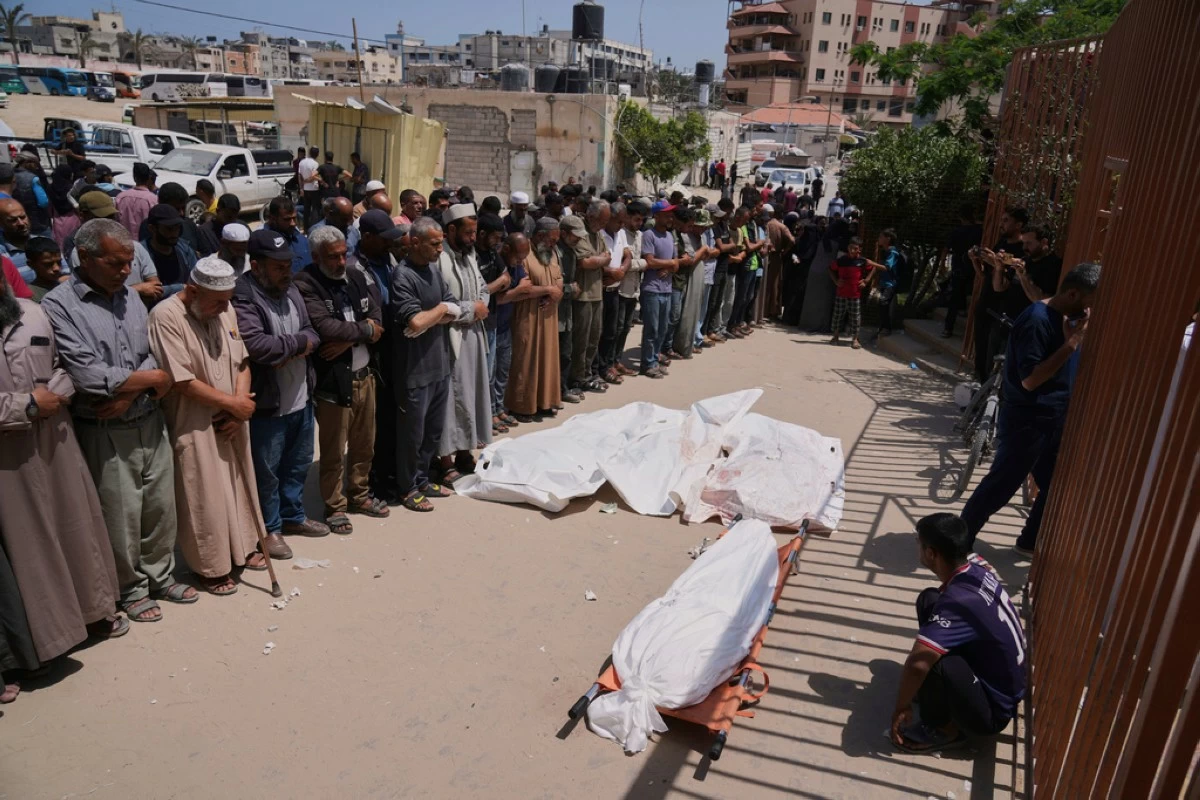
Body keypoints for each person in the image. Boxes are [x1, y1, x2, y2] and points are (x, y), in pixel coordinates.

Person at [42, 219, 195, 623]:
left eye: (130, 263)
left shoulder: (128, 297)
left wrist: (132, 392)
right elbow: (86, 374)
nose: (127, 272)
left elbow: (151, 354)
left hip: (146, 416)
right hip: (104, 429)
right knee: (121, 515)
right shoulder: (59, 305)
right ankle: (130, 589)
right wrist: (152, 380)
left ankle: (160, 577)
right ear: (86, 257)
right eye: (116, 263)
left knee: (160, 508)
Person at [0, 264, 126, 673]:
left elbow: (62, 366)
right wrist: (26, 406)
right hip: (8, 459)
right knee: (31, 547)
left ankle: (95, 612)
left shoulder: (31, 312)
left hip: (56, 440)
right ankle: (52, 639)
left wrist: (56, 393)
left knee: (77, 528)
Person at [147, 257, 271, 595]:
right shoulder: (166, 316)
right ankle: (210, 567)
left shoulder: (224, 309)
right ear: (191, 290)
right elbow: (181, 380)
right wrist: (233, 405)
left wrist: (238, 407)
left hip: (232, 414)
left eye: (227, 299)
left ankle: (245, 548)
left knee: (237, 482)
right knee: (203, 492)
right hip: (194, 419)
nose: (224, 308)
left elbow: (242, 360)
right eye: (217, 301)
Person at [960, 263, 1100, 557]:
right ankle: (957, 541)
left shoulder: (1066, 318)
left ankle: (1028, 541)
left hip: (1054, 418)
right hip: (1028, 418)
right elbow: (1030, 380)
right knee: (1002, 483)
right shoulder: (1038, 320)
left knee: (1055, 485)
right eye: (1091, 302)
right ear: (1073, 293)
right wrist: (1072, 343)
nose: (1093, 311)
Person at [891, 513, 1026, 753]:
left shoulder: (958, 602)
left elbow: (917, 664)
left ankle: (944, 728)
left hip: (991, 713)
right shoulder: (976, 567)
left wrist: (901, 707)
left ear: (931, 553)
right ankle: (938, 697)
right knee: (929, 599)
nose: (917, 548)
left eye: (919, 543)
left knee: (932, 663)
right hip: (1000, 677)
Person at [233, 229, 329, 560]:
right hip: (268, 404)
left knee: (297, 461)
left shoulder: (291, 290)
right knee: (267, 471)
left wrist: (292, 347)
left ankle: (293, 516)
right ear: (256, 265)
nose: (286, 271)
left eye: (288, 264)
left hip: (301, 395)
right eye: (278, 266)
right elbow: (259, 347)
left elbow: (313, 333)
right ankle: (270, 529)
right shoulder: (243, 296)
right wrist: (297, 345)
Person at [295, 226, 388, 536]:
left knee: (364, 444)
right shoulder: (306, 283)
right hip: (334, 382)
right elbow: (324, 327)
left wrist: (352, 338)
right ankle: (335, 506)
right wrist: (365, 331)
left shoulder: (356, 276)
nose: (339, 261)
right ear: (316, 256)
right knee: (333, 449)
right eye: (332, 257)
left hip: (365, 376)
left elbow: (377, 316)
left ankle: (359, 496)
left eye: (342, 254)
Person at [389, 216, 461, 512]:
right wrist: (440, 310)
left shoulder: (433, 270)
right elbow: (416, 320)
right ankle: (407, 489)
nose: (440, 249)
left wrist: (437, 313)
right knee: (412, 435)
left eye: (441, 242)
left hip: (439, 365)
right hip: (414, 371)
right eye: (434, 243)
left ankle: (422, 480)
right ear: (414, 243)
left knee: (432, 432)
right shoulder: (402, 276)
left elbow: (453, 308)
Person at [435, 204, 492, 484]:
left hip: (473, 335)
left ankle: (464, 451)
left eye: (475, 232)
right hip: (449, 338)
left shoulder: (470, 256)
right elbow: (440, 303)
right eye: (468, 233)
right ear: (452, 230)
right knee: (450, 398)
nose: (472, 238)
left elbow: (482, 287)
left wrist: (482, 305)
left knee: (470, 394)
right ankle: (444, 459)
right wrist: (473, 309)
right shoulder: (439, 258)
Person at [507, 219, 564, 421]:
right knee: (526, 360)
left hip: (549, 314)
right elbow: (522, 289)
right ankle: (522, 406)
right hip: (527, 315)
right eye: (551, 240)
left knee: (547, 359)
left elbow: (559, 278)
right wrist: (549, 290)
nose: (554, 244)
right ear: (540, 236)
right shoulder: (525, 255)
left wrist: (557, 292)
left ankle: (544, 402)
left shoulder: (552, 253)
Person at [971, 207, 1027, 382]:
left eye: (1006, 220)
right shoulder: (1001, 243)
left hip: (1003, 307)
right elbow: (983, 275)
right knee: (980, 348)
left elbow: (1009, 273)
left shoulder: (1022, 249)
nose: (1001, 224)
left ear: (1019, 225)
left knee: (993, 353)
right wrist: (976, 260)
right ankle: (978, 386)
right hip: (986, 302)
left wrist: (998, 262)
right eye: (1001, 220)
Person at [564, 202, 612, 394]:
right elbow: (585, 262)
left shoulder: (597, 233)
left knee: (594, 337)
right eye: (602, 221)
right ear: (591, 217)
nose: (603, 225)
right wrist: (602, 259)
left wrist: (600, 259)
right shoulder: (580, 228)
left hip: (597, 292)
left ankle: (587, 373)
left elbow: (605, 255)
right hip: (582, 294)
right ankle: (578, 378)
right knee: (581, 340)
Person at [473, 214, 513, 434]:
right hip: (478, 324)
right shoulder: (472, 256)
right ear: (482, 234)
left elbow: (507, 276)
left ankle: (488, 416)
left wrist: (495, 285)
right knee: (480, 377)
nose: (498, 242)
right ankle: (480, 423)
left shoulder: (491, 253)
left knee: (490, 374)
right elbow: (478, 292)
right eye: (495, 237)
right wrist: (498, 284)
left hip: (492, 321)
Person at [489, 234, 529, 427]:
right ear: (506, 250)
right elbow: (496, 299)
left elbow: (526, 283)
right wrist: (516, 292)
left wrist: (515, 291)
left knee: (502, 372)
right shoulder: (495, 264)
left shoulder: (515, 266)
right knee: (491, 373)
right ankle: (490, 413)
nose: (520, 262)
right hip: (491, 328)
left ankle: (499, 409)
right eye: (518, 257)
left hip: (505, 327)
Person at [639, 201, 680, 379]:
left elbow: (677, 263)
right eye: (666, 214)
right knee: (652, 329)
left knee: (662, 329)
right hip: (652, 289)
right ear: (656, 216)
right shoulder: (649, 235)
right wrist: (670, 263)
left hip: (667, 289)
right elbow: (650, 261)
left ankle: (655, 360)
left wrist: (670, 266)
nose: (670, 217)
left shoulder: (670, 236)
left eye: (671, 214)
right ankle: (648, 364)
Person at [596, 202, 631, 384]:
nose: (621, 225)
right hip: (600, 290)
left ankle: (607, 365)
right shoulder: (599, 234)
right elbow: (594, 262)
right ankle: (597, 369)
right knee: (598, 333)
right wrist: (610, 272)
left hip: (615, 289)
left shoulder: (621, 233)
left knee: (612, 331)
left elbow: (628, 256)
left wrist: (621, 271)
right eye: (618, 221)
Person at [675, 207, 714, 359]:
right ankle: (681, 345)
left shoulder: (700, 237)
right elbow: (691, 260)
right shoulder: (686, 237)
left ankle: (690, 343)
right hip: (688, 278)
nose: (704, 229)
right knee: (686, 312)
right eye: (701, 226)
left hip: (699, 277)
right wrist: (704, 250)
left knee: (696, 312)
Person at [941, 205, 983, 338]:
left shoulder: (957, 232)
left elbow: (946, 249)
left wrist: (942, 264)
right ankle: (970, 328)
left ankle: (948, 328)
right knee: (972, 293)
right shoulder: (979, 231)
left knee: (955, 298)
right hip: (974, 267)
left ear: (960, 218)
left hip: (959, 267)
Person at [663, 205, 698, 360]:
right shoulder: (671, 234)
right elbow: (671, 258)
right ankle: (665, 347)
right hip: (672, 282)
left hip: (679, 281)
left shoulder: (678, 235)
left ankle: (667, 346)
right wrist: (681, 260)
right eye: (689, 225)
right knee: (672, 317)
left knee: (674, 317)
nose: (690, 229)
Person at [142, 204, 198, 300]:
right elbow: (147, 290)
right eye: (169, 229)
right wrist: (180, 288)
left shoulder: (185, 250)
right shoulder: (141, 253)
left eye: (177, 228)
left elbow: (196, 280)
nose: (175, 233)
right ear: (152, 229)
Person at [829, 236, 873, 349]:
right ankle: (835, 336)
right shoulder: (842, 260)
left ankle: (855, 339)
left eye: (855, 248)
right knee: (838, 315)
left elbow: (873, 268)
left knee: (855, 317)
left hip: (855, 294)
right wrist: (836, 281)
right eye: (850, 247)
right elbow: (830, 269)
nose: (852, 250)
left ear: (859, 249)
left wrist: (866, 281)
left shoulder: (862, 261)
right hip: (841, 293)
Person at [763, 204, 795, 322]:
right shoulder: (781, 226)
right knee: (774, 285)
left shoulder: (766, 224)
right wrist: (784, 251)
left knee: (764, 284)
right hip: (776, 257)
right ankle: (773, 311)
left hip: (765, 256)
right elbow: (792, 240)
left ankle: (763, 310)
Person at [263, 196, 311, 274]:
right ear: (273, 219)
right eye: (287, 219)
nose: (293, 223)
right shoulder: (264, 243)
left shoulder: (301, 239)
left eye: (294, 218)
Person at [871, 229, 901, 338]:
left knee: (883, 303)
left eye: (881, 236)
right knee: (881, 304)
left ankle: (887, 328)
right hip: (884, 283)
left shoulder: (892, 253)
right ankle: (883, 327)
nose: (879, 239)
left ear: (888, 239)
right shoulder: (885, 251)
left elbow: (887, 267)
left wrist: (871, 263)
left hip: (890, 284)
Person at [116, 163, 158, 239]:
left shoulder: (120, 197)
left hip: (123, 242)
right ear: (149, 178)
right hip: (144, 244)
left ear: (134, 178)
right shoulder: (153, 199)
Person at [12, 154, 51, 236]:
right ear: (27, 163)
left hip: (16, 220)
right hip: (37, 223)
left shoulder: (11, 175)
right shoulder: (33, 178)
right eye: (35, 164)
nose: (37, 167)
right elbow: (43, 202)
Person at [0, 199, 35, 283]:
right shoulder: (1, 254)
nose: (21, 223)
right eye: (13, 220)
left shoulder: (44, 242)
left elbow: (65, 275)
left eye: (23, 217)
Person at [24, 236, 64, 302]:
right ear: (31, 264)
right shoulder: (30, 296)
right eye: (48, 264)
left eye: (59, 262)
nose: (56, 268)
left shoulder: (66, 287)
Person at [298, 146, 321, 230]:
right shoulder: (315, 164)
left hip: (305, 189)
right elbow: (313, 177)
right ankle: (314, 229)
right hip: (314, 189)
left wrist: (301, 188)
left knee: (306, 209)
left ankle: (305, 229)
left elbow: (299, 175)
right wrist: (306, 181)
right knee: (315, 209)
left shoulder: (302, 162)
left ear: (309, 153)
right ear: (317, 154)